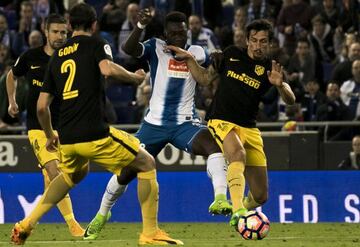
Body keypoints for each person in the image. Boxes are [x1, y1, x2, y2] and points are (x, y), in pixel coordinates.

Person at [10, 3, 183, 246]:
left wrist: (50, 135)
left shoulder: (57, 57)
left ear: (69, 26)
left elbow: (40, 107)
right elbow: (107, 69)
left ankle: (25, 225)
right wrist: (134, 78)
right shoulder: (96, 43)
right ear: (94, 25)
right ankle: (150, 233)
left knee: (73, 174)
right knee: (146, 163)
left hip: (67, 139)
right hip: (94, 132)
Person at [84, 9, 231, 240]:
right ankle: (102, 214)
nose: (179, 38)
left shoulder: (196, 52)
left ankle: (221, 198)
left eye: (182, 33)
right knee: (126, 173)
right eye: (174, 34)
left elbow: (207, 75)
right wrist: (140, 26)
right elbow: (129, 49)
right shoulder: (155, 47)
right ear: (165, 35)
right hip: (154, 125)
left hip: (186, 123)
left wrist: (218, 61)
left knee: (214, 147)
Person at [166, 19, 296, 228]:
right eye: (253, 40)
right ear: (247, 40)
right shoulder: (231, 54)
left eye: (263, 42)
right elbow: (205, 79)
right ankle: (238, 211)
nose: (258, 46)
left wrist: (281, 86)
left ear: (270, 44)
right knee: (237, 154)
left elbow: (291, 100)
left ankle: (243, 205)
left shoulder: (270, 69)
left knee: (261, 195)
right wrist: (190, 59)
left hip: (249, 128)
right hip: (222, 120)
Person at [6, 13, 84, 237]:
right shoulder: (31, 57)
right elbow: (12, 75)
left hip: (65, 127)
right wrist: (12, 102)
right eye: (56, 32)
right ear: (45, 31)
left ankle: (28, 223)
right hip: (38, 127)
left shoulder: (70, 60)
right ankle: (73, 226)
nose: (60, 36)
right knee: (56, 172)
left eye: (64, 33)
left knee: (54, 179)